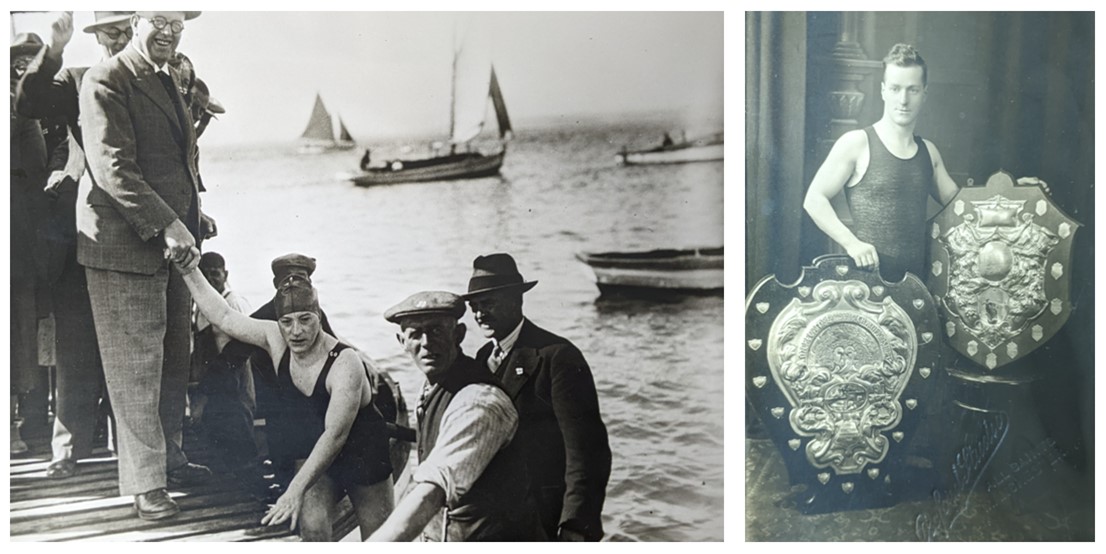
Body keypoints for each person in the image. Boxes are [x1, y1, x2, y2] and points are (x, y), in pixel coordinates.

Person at [78, 10, 213, 521]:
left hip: (171, 244)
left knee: (174, 358)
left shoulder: (164, 77)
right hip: (125, 247)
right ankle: (145, 484)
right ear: (134, 20)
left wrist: (196, 216)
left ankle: (169, 457)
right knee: (134, 369)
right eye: (159, 19)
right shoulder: (105, 78)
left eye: (179, 23)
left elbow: (173, 162)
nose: (170, 31)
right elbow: (113, 167)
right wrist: (169, 224)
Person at [175, 258, 395, 541]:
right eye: (287, 322)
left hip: (362, 451)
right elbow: (225, 317)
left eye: (306, 320)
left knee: (384, 539)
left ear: (319, 316)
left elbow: (336, 435)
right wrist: (188, 269)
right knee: (313, 526)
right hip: (314, 447)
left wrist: (293, 492)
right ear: (277, 322)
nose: (296, 332)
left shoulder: (345, 363)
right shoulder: (275, 339)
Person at [802, 43, 1047, 280]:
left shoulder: (928, 152)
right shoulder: (857, 142)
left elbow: (965, 208)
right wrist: (851, 243)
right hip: (868, 285)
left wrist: (1016, 194)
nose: (903, 100)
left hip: (916, 287)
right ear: (883, 90)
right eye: (896, 89)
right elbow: (814, 200)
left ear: (924, 94)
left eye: (913, 90)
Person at [15, 11, 132, 478]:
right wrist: (54, 51)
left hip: (134, 242)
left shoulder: (158, 83)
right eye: (110, 31)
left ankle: (140, 452)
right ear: (96, 36)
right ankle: (68, 449)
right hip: (77, 239)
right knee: (76, 349)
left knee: (132, 348)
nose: (119, 39)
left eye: (127, 30)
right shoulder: (78, 78)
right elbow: (31, 102)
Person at [371, 291, 545, 541]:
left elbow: (432, 490)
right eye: (415, 334)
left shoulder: (479, 401)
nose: (427, 343)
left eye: (436, 331)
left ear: (459, 335)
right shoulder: (436, 385)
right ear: (402, 341)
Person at [462, 253, 612, 541]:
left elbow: (588, 451)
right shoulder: (482, 359)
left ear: (517, 300)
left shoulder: (557, 357)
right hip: (492, 522)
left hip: (545, 520)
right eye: (474, 306)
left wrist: (576, 524)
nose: (480, 314)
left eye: (488, 303)